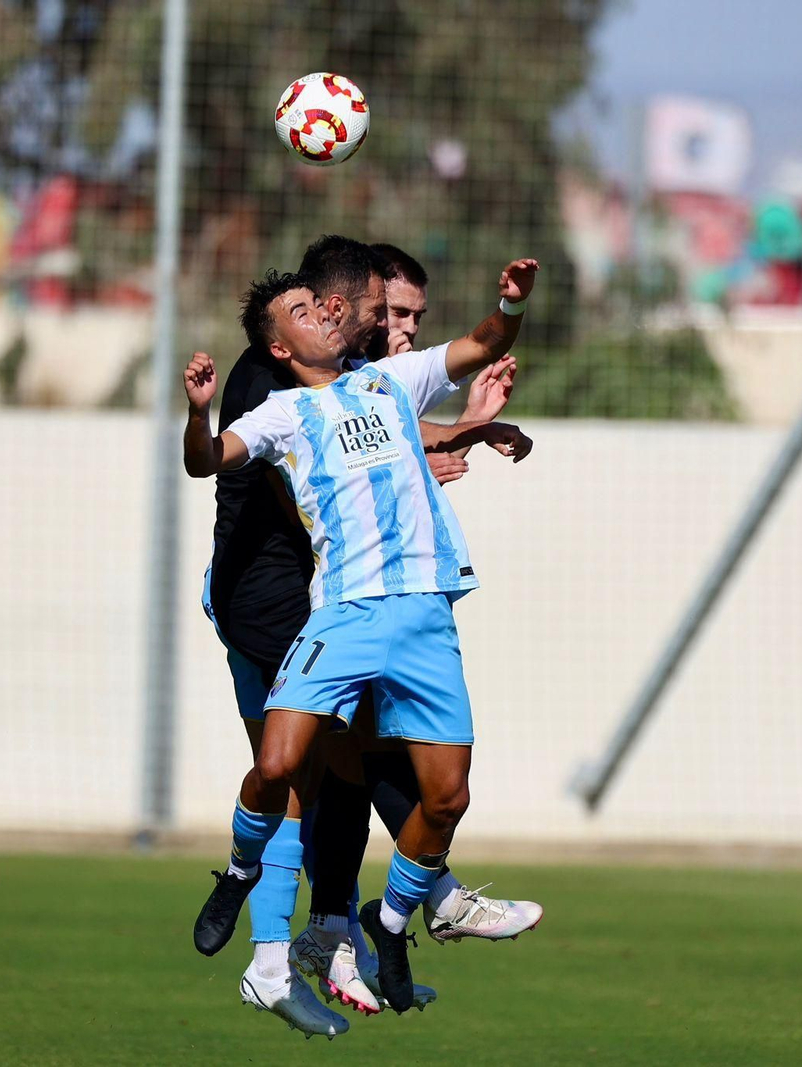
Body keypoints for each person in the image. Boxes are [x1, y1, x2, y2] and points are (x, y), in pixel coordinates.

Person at [197, 237, 532, 1034]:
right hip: (274, 596)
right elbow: (287, 477)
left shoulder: (368, 381)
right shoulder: (272, 383)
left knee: (346, 765)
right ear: (338, 310)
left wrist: (463, 432)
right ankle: (371, 915)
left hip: (352, 597)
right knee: (327, 759)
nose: (401, 328)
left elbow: (379, 452)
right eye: (392, 313)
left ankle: (306, 946)